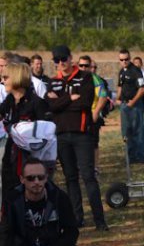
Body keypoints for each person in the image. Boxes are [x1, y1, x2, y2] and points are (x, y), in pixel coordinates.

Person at [0, 158, 88, 246]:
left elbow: (72, 232)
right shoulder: (12, 200)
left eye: (40, 177)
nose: (36, 182)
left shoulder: (59, 197)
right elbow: (5, 236)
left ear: (46, 177)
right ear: (22, 179)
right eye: (30, 178)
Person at [46, 46, 108, 231]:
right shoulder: (53, 81)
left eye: (63, 59)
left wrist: (61, 102)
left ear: (70, 58)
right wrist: (69, 99)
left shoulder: (85, 77)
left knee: (88, 176)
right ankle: (77, 218)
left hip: (82, 134)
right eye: (57, 60)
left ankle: (100, 220)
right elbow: (51, 106)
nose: (61, 63)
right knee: (70, 178)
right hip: (62, 135)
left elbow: (85, 102)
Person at [0, 62, 50, 208]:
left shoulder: (37, 103)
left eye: (5, 78)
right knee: (9, 194)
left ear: (17, 78)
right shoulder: (9, 101)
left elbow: (47, 135)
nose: (2, 81)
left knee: (30, 196)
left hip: (31, 159)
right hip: (10, 156)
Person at [77, 55, 109, 178]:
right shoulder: (74, 79)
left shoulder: (96, 80)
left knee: (93, 143)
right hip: (77, 116)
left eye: (86, 65)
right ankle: (80, 166)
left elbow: (103, 97)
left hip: (91, 116)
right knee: (78, 143)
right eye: (81, 65)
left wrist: (95, 113)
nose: (83, 68)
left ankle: (95, 168)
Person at [115, 48, 144, 163]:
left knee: (137, 131)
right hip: (124, 105)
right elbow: (120, 86)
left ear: (130, 58)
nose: (124, 61)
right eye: (121, 60)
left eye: (126, 59)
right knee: (127, 131)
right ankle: (130, 157)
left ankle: (140, 157)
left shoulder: (135, 71)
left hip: (134, 105)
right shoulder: (122, 71)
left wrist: (132, 102)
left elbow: (142, 88)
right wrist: (117, 98)